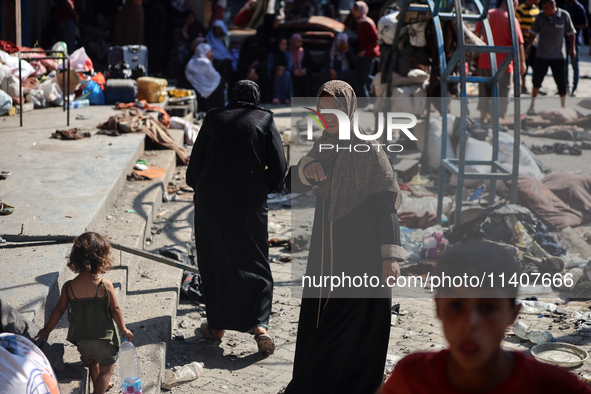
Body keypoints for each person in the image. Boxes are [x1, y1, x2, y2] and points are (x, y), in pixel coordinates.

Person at [284, 80, 404, 394]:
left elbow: (386, 205)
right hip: (326, 252)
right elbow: (294, 184)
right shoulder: (324, 144)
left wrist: (390, 256)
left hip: (360, 256)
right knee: (320, 323)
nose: (329, 117)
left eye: (335, 110)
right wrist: (305, 167)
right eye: (323, 111)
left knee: (346, 328)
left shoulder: (368, 149)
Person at [378, 241, 591, 394]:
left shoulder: (554, 387)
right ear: (438, 308)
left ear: (512, 315)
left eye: (488, 308)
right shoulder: (412, 379)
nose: (470, 324)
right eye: (456, 306)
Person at [186, 80, 287, 354]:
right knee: (253, 258)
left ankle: (216, 325)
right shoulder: (265, 119)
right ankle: (258, 327)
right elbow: (279, 168)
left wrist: (199, 186)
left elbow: (196, 164)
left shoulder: (214, 117)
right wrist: (263, 187)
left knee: (215, 258)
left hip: (210, 201)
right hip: (248, 202)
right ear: (256, 97)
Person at [35, 232, 134, 394]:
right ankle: (99, 389)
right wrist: (123, 328)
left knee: (93, 363)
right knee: (106, 370)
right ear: (101, 259)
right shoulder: (104, 285)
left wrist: (46, 330)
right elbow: (115, 309)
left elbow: (58, 310)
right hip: (105, 339)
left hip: (83, 341)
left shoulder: (68, 287)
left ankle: (101, 385)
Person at [475, 0, 526, 123]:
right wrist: (522, 62)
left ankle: (482, 121)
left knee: (484, 93)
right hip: (503, 65)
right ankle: (493, 125)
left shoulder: (487, 14)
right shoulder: (512, 20)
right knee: (500, 96)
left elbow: (476, 35)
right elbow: (518, 44)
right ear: (513, 3)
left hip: (485, 61)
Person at [526, 0, 576, 114]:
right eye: (543, 8)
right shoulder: (540, 17)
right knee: (536, 80)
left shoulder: (564, 16)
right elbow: (533, 33)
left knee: (561, 82)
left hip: (558, 55)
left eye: (546, 8)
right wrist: (528, 46)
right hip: (542, 55)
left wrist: (572, 49)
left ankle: (563, 106)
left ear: (553, 7)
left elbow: (571, 33)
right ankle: (532, 105)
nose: (544, 10)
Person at [185, 43, 226, 113]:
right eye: (210, 52)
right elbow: (216, 77)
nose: (212, 54)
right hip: (211, 101)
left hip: (198, 96)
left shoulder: (191, 62)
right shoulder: (206, 63)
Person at [351, 1, 380, 99]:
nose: (354, 12)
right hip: (360, 53)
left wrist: (365, 51)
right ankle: (365, 99)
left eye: (356, 10)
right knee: (358, 78)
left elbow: (375, 39)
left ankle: (379, 88)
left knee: (366, 76)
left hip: (369, 54)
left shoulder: (367, 23)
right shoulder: (357, 22)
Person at [564, 0, 588, 96]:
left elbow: (585, 24)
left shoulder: (579, 8)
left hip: (575, 40)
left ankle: (575, 88)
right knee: (564, 64)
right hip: (565, 39)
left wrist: (572, 26)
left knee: (575, 65)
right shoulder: (566, 6)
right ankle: (566, 87)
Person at [516, 0, 541, 94]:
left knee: (536, 65)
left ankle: (536, 87)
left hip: (534, 41)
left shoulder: (536, 9)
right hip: (524, 41)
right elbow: (518, 27)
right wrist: (530, 32)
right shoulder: (520, 9)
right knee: (524, 64)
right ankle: (523, 85)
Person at [206, 19, 238, 89]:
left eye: (219, 28)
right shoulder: (209, 38)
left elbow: (228, 51)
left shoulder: (225, 39)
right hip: (214, 61)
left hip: (226, 62)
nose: (217, 31)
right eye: (215, 29)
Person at [268, 38, 294, 104]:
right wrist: (277, 69)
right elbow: (269, 66)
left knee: (287, 74)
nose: (285, 46)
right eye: (282, 44)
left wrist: (283, 69)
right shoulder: (272, 54)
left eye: (285, 44)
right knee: (278, 75)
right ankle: (276, 97)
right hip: (274, 72)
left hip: (286, 72)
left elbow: (290, 66)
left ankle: (287, 97)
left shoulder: (287, 54)